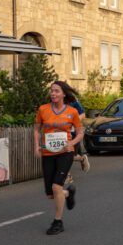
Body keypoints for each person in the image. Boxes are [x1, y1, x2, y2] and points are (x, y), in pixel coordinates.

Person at [34, 81, 84, 235]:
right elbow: (36, 130)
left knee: (56, 187)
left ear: (63, 94)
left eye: (56, 91)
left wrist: (72, 143)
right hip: (48, 153)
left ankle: (58, 222)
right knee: (51, 193)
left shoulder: (72, 112)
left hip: (65, 153)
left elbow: (81, 132)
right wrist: (36, 146)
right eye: (51, 91)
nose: (53, 93)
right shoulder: (43, 109)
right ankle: (68, 193)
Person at [64, 98, 90, 184]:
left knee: (68, 155)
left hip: (72, 132)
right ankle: (81, 159)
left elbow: (83, 114)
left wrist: (71, 121)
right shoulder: (53, 102)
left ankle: (68, 176)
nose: (53, 93)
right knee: (62, 154)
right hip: (59, 133)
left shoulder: (73, 101)